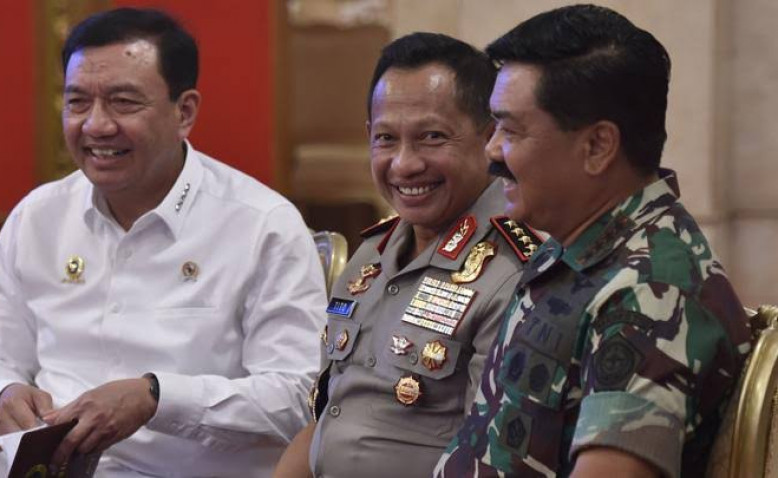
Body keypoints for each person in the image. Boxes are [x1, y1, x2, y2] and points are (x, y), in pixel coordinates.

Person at [0, 8, 327, 477]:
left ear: (184, 112)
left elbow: (299, 398)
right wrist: (2, 395)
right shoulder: (38, 217)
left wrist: (157, 399)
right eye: (77, 102)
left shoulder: (262, 226)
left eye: (123, 102)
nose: (96, 125)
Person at [434, 5, 752, 478]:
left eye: (511, 130)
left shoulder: (650, 294)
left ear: (598, 146)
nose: (491, 150)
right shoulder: (577, 245)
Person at [274, 33, 543, 478]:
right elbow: (328, 417)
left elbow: (492, 461)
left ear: (490, 137)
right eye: (385, 138)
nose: (404, 164)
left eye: (431, 137)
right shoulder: (372, 255)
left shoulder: (514, 270)